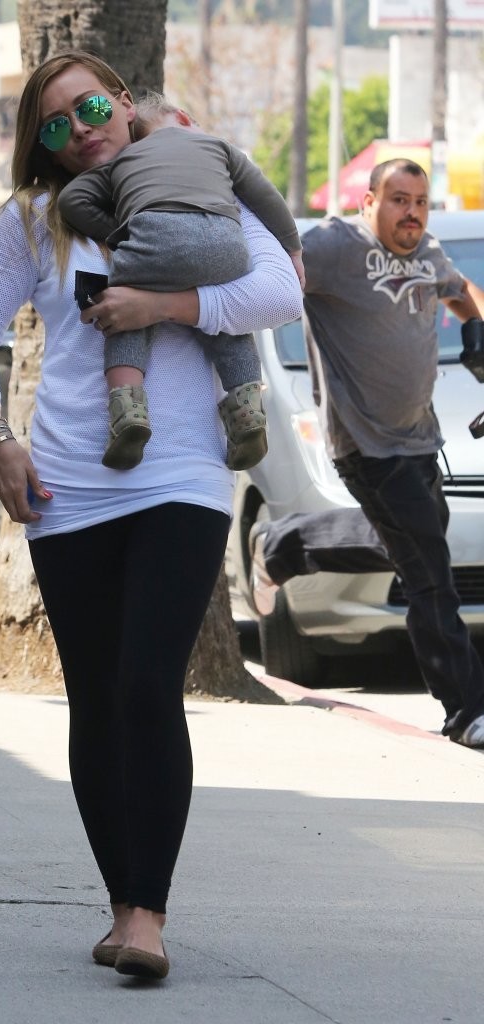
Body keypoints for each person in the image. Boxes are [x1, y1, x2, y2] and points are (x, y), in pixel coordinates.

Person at [0, 50, 302, 980]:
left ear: (123, 101)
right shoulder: (39, 220)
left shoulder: (198, 175)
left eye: (91, 108)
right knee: (98, 697)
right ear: (42, 145)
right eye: (56, 125)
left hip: (180, 473)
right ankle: (119, 904)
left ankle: (149, 914)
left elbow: (279, 289)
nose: (80, 130)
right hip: (68, 484)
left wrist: (161, 303)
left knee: (148, 684)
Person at [249, 158, 484, 749]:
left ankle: (283, 545)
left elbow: (462, 293)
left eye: (420, 202)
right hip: (366, 443)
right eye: (399, 199)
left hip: (421, 436)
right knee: (429, 574)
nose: (412, 213)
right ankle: (466, 709)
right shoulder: (335, 247)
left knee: (403, 544)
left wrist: (479, 328)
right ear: (369, 202)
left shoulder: (427, 252)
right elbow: (270, 272)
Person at [58, 91, 305, 472]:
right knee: (229, 325)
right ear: (186, 118)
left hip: (153, 240)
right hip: (226, 245)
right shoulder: (219, 147)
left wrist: (120, 231)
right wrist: (293, 249)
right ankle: (247, 411)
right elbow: (267, 197)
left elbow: (72, 199)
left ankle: (128, 412)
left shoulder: (126, 158)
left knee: (127, 312)